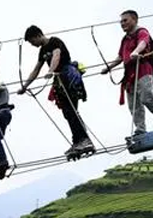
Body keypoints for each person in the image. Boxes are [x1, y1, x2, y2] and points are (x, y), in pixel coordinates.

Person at [18, 25, 95, 157]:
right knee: (67, 112)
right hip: (59, 80)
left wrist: (50, 70)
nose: (33, 45)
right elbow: (36, 69)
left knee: (71, 110)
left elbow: (56, 56)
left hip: (68, 77)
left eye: (32, 42)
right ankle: (77, 141)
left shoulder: (54, 41)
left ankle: (84, 140)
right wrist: (25, 86)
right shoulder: (42, 51)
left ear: (37, 35)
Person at [101, 10, 153, 139]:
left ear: (134, 20)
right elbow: (120, 56)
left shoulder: (141, 32)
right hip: (129, 76)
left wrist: (135, 52)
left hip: (143, 70)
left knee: (147, 97)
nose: (122, 23)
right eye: (121, 21)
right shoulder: (125, 39)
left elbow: (143, 43)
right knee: (134, 105)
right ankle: (140, 130)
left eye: (125, 20)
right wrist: (109, 67)